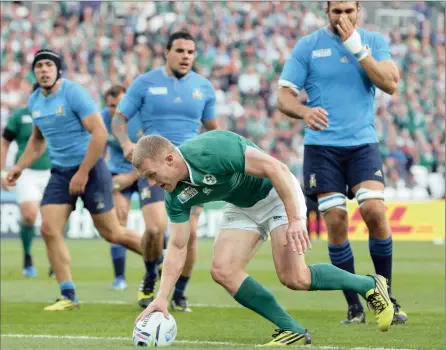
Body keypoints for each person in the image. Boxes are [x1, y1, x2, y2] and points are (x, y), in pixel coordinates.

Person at [133, 131, 395, 346]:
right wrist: (162, 297)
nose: (152, 184)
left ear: (169, 159)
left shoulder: (212, 149)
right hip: (241, 206)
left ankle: (369, 284)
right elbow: (178, 247)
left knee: (295, 277)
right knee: (223, 270)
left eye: (151, 176)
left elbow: (275, 168)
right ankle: (291, 329)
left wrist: (294, 220)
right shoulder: (174, 195)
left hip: (277, 196)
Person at [277, 1, 407, 324]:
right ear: (327, 12)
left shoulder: (374, 41)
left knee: (374, 211)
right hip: (322, 149)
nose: (343, 17)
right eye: (337, 11)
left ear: (359, 10)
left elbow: (390, 84)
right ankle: (354, 304)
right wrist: (305, 112)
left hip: (362, 143)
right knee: (335, 220)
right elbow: (283, 96)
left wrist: (357, 49)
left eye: (349, 10)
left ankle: (385, 295)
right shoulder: (308, 46)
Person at [3, 49, 144, 311]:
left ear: (58, 70)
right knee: (48, 230)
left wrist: (82, 173)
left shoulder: (74, 93)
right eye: (39, 66)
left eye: (48, 65)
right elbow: (37, 140)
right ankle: (68, 295)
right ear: (34, 72)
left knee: (112, 233)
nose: (44, 70)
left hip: (91, 169)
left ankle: (162, 258)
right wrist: (19, 167)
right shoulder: (35, 100)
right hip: (60, 172)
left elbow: (100, 134)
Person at [111, 31, 218, 311]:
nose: (186, 57)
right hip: (155, 167)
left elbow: (213, 128)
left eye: (191, 52)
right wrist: (125, 143)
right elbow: (118, 119)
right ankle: (150, 274)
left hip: (191, 169)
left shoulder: (204, 87)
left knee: (190, 235)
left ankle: (180, 292)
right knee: (155, 228)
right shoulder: (145, 83)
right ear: (166, 53)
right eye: (180, 51)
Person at [102, 84, 150, 291]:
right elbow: (97, 149)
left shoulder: (142, 117)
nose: (114, 110)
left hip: (146, 173)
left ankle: (157, 266)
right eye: (110, 106)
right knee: (117, 223)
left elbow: (154, 153)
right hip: (117, 173)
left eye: (118, 105)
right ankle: (119, 277)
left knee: (155, 225)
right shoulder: (102, 119)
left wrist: (132, 175)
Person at [1, 84, 51, 278]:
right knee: (29, 216)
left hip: (54, 171)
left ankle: (55, 259)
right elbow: (5, 141)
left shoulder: (60, 114)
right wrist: (2, 170)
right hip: (26, 172)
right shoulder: (19, 115)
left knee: (54, 220)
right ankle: (28, 255)